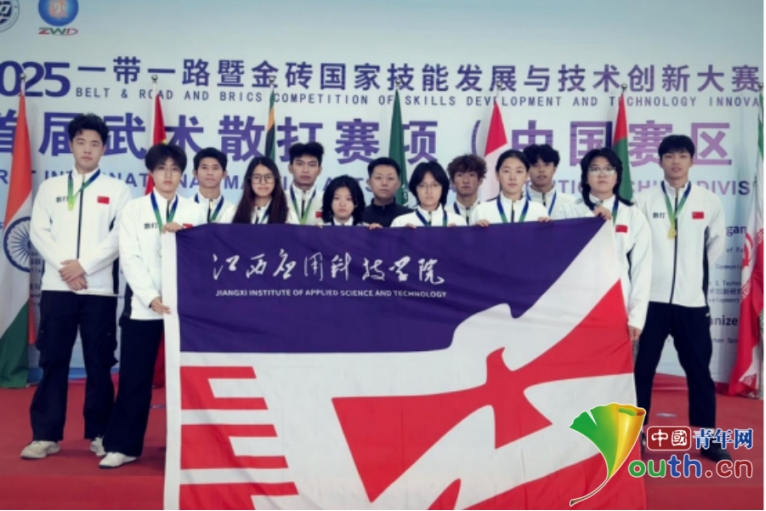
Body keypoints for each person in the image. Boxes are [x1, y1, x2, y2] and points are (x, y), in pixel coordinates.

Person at [23, 113, 132, 460]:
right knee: (53, 359)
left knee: (99, 362)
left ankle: (100, 433)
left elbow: (119, 237)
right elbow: (38, 232)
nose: (87, 149)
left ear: (104, 149)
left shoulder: (117, 190)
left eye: (95, 144)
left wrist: (83, 266)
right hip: (57, 289)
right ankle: (45, 435)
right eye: (81, 142)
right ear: (70, 145)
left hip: (98, 290)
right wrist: (66, 268)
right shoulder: (51, 188)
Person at [99, 143, 204, 469]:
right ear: (151, 173)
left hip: (183, 310)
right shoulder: (134, 210)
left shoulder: (195, 211)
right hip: (144, 308)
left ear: (182, 174)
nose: (168, 174)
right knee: (134, 378)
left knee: (188, 381)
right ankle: (123, 446)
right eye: (161, 168)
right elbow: (129, 258)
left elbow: (201, 259)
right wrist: (149, 296)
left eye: (174, 169)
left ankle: (190, 447)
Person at [633, 134, 730, 462]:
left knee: (699, 372)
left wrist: (692, 276)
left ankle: (708, 438)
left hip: (692, 303)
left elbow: (716, 244)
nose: (676, 161)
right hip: (651, 302)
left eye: (682, 155)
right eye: (670, 156)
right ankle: (635, 437)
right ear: (659, 161)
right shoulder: (644, 200)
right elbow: (635, 247)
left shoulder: (708, 200)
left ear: (692, 160)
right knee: (642, 371)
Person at [556, 147, 652, 345]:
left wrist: (637, 316)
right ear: (585, 177)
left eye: (609, 169)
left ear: (617, 177)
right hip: (574, 307)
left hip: (617, 303)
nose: (602, 174)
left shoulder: (633, 215)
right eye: (594, 169)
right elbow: (559, 254)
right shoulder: (567, 211)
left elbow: (642, 269)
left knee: (614, 363)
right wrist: (588, 221)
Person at [472, 149, 549, 225]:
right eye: (506, 171)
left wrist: (549, 228)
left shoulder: (539, 211)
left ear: (527, 175)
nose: (512, 177)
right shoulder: (482, 211)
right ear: (497, 175)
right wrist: (476, 230)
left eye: (519, 171)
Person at [220, 157, 298, 225]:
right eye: (257, 177)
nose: (263, 182)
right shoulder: (231, 213)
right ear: (249, 180)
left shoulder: (288, 216)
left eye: (268, 177)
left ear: (276, 180)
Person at [390, 162, 463, 228]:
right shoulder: (400, 223)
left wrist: (456, 235)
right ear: (415, 189)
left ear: (443, 188)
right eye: (422, 185)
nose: (429, 191)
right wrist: (403, 235)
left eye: (434, 185)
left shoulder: (458, 222)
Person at [523, 144, 577, 218]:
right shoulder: (518, 202)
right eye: (535, 165)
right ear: (527, 170)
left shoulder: (570, 202)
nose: (541, 170)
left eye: (546, 165)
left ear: (554, 169)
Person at [362, 157, 412, 227]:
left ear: (398, 184)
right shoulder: (359, 216)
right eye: (378, 178)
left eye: (390, 178)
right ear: (369, 183)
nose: (384, 183)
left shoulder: (410, 216)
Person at [192, 147, 234, 223]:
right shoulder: (183, 208)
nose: (210, 173)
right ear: (195, 173)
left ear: (224, 174)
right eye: (204, 168)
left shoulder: (232, 211)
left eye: (215, 168)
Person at [286, 141, 324, 225]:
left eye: (312, 165)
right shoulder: (280, 199)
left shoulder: (326, 200)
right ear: (290, 168)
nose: (305, 170)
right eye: (300, 164)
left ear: (319, 170)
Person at [447, 154, 486, 225]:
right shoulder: (444, 215)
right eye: (460, 175)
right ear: (452, 181)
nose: (465, 181)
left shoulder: (488, 212)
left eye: (471, 175)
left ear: (480, 180)